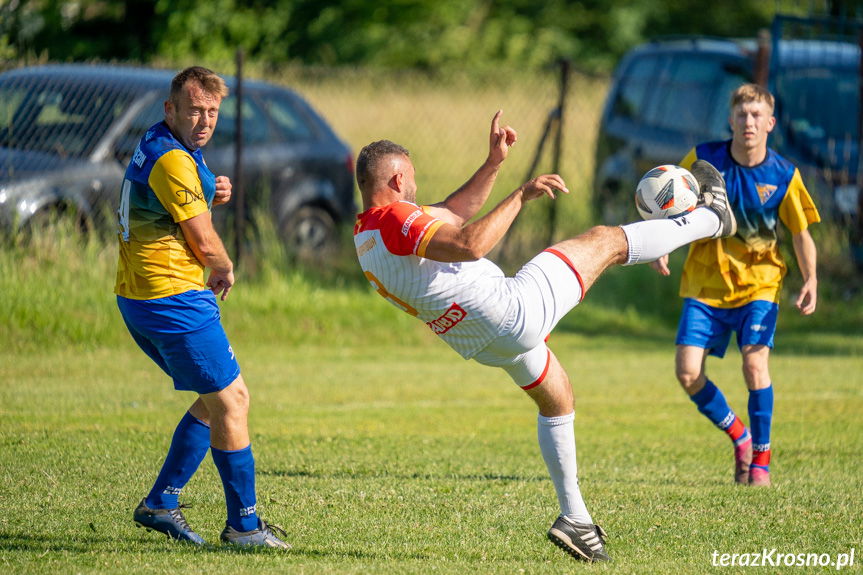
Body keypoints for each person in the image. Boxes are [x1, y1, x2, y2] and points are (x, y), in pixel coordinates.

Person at [353, 110, 738, 562]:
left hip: (480, 340)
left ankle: (575, 520)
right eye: (412, 180)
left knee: (557, 399)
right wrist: (520, 194)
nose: (416, 189)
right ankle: (714, 217)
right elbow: (469, 244)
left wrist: (494, 163)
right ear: (398, 180)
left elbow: (454, 213)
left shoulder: (367, 235)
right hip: (512, 310)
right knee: (605, 241)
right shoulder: (396, 219)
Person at [114, 66, 288, 548]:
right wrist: (224, 266)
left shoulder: (164, 143)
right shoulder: (174, 160)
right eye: (195, 110)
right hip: (172, 297)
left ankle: (161, 503)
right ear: (171, 109)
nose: (205, 120)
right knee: (232, 401)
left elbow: (179, 194)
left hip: (140, 297)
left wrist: (212, 189)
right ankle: (244, 528)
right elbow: (202, 238)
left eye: (212, 111)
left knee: (216, 401)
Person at [649, 84, 820, 487]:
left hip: (760, 285)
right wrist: (661, 242)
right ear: (731, 120)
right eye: (742, 115)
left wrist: (811, 277)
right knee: (688, 372)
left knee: (754, 363)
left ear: (771, 123)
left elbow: (800, 233)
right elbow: (669, 201)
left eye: (757, 115)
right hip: (705, 284)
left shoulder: (783, 174)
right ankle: (739, 436)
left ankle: (761, 459)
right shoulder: (704, 160)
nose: (749, 122)